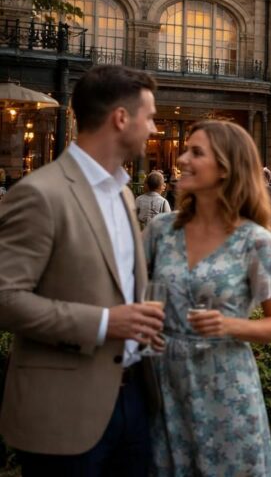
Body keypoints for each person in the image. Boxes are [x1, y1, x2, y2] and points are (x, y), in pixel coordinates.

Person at [0, 65, 164, 475]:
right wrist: (106, 323)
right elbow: (5, 298)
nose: (154, 128)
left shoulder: (123, 194)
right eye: (149, 117)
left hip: (134, 402)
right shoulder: (40, 193)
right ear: (121, 118)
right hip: (64, 414)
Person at [144, 120, 271, 475]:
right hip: (164, 385)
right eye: (185, 150)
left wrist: (229, 325)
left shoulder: (256, 241)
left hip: (227, 387)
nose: (182, 159)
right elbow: (133, 293)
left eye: (196, 152)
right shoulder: (161, 231)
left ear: (226, 167)